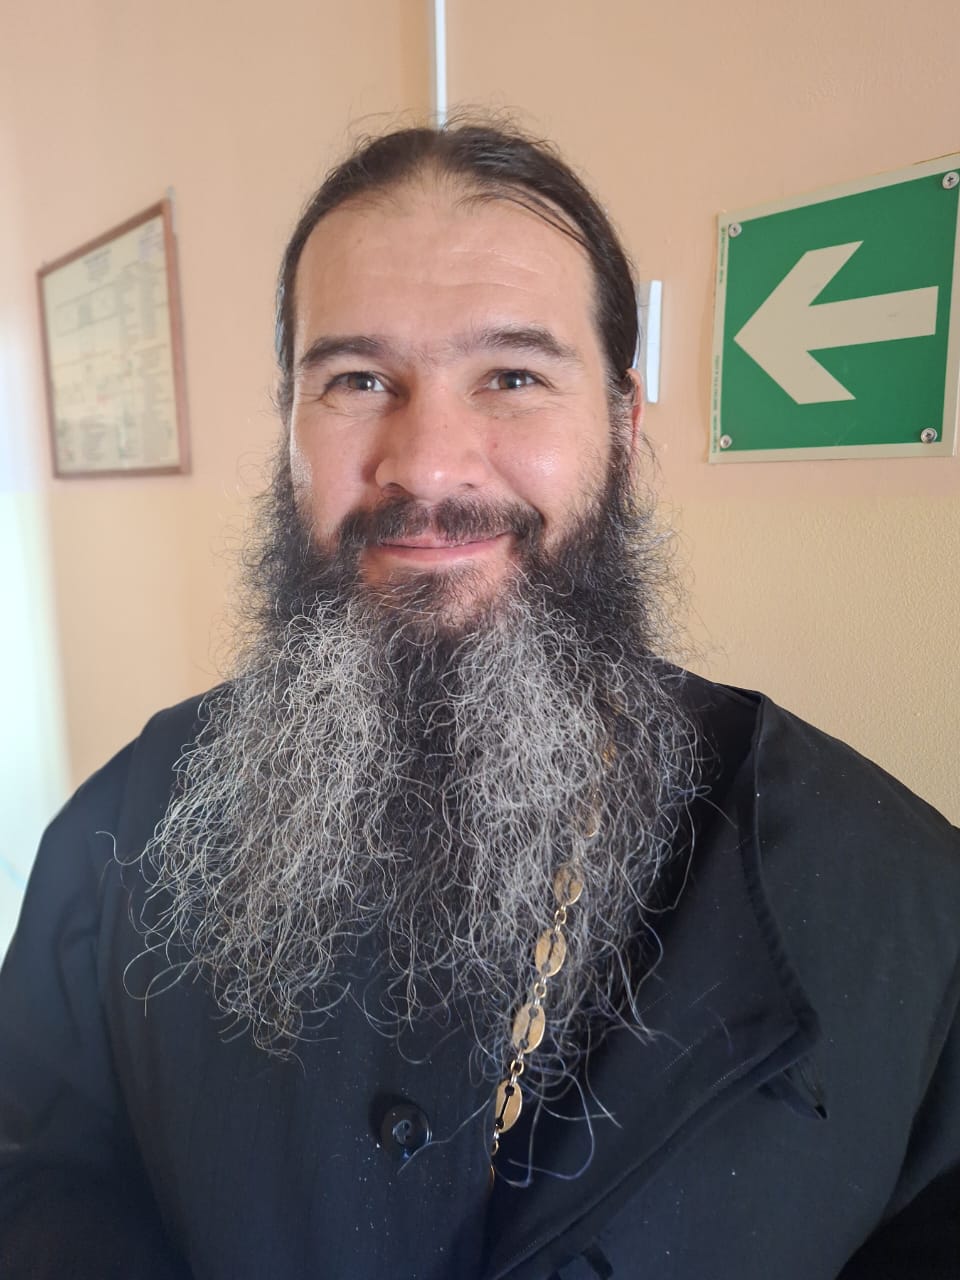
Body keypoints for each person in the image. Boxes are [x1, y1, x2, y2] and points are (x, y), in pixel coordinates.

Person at [1, 121, 958, 1280]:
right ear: (290, 429)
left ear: (623, 427)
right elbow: (40, 1175)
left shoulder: (900, 900)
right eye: (358, 380)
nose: (428, 463)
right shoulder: (120, 834)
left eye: (512, 377)